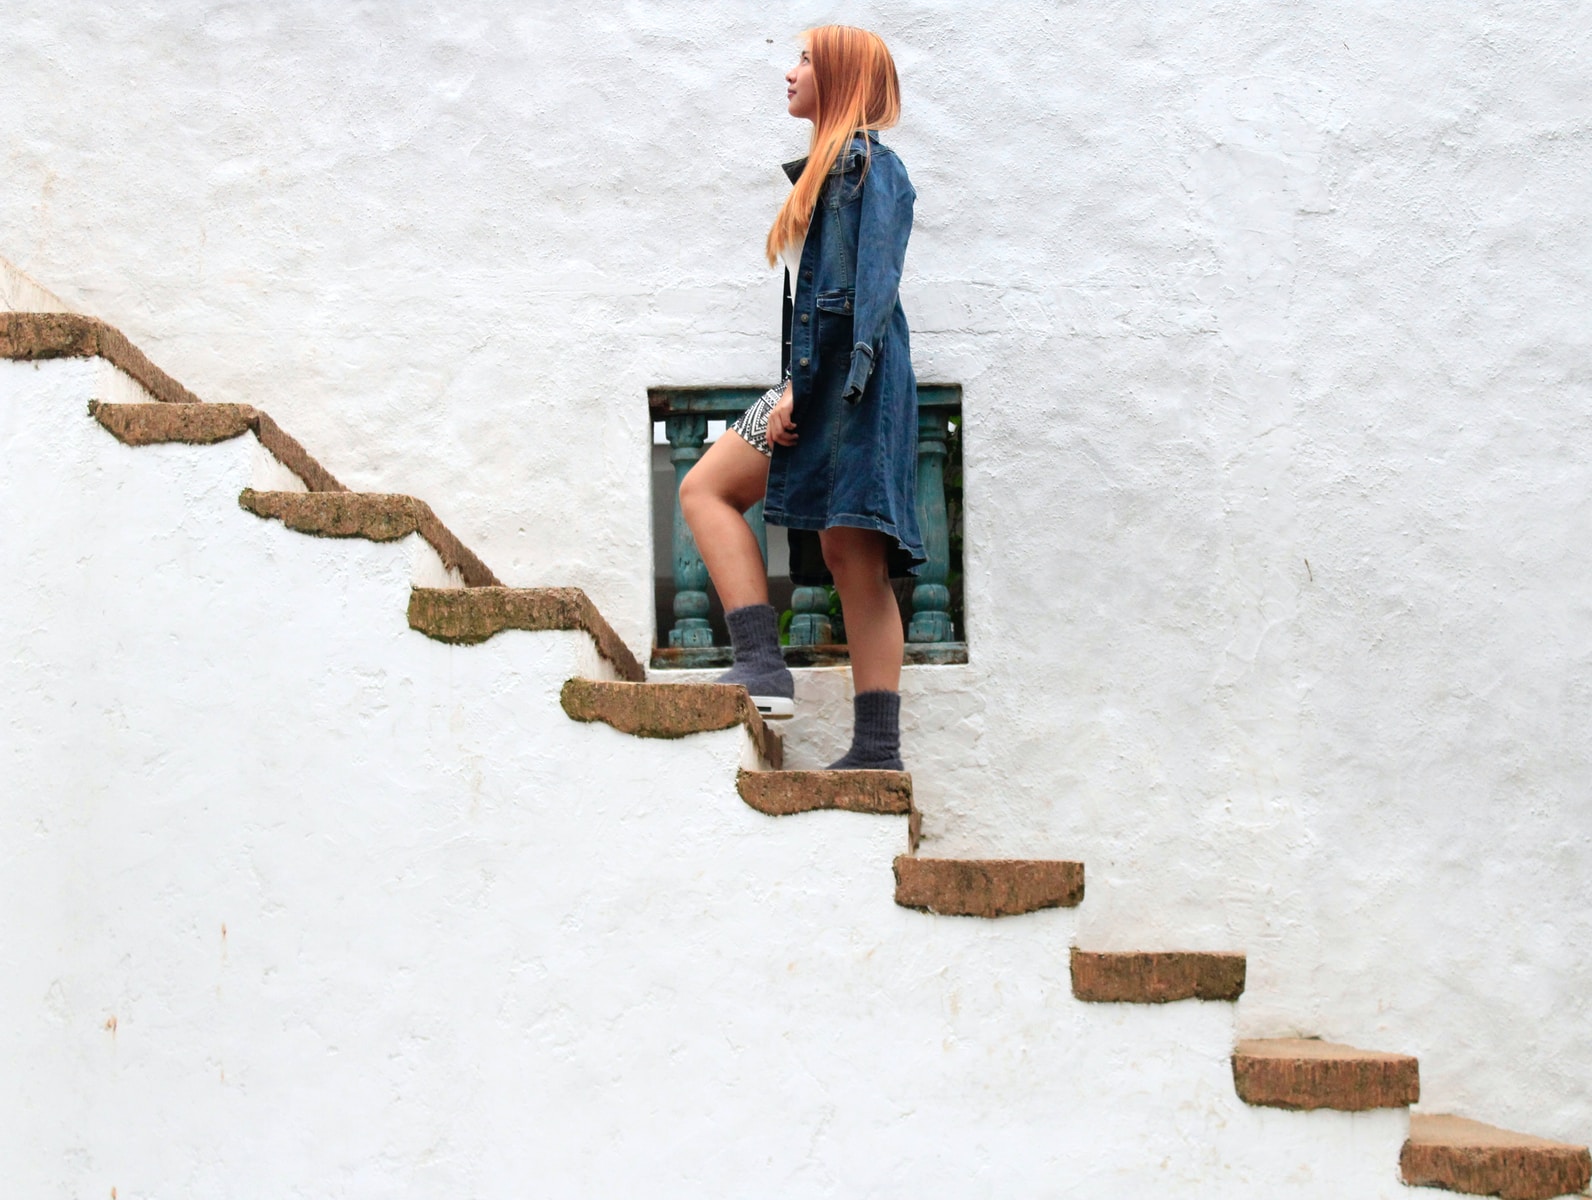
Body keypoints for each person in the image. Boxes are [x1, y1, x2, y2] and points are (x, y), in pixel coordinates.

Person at [678, 25, 923, 771]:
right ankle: (760, 663)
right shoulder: (828, 173)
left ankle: (876, 748)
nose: (789, 74)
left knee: (853, 554)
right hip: (822, 378)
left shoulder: (867, 169)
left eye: (806, 61)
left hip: (852, 383)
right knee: (707, 489)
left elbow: (864, 297)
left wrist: (810, 389)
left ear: (842, 76)